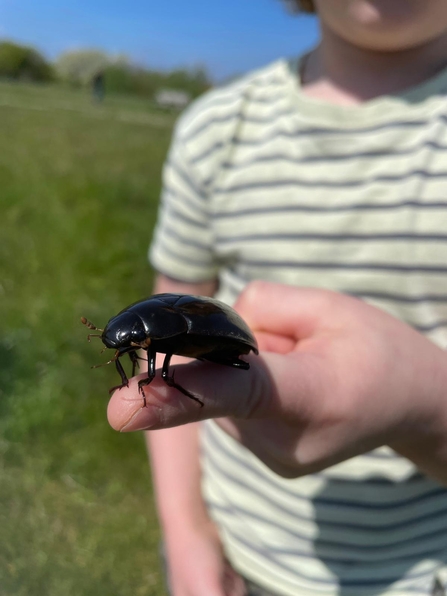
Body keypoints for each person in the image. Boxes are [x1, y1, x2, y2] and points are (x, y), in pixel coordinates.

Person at [108, 1, 447, 594]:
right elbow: (172, 296)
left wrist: (424, 402)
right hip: (238, 538)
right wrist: (186, 532)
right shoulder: (216, 129)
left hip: (423, 569)